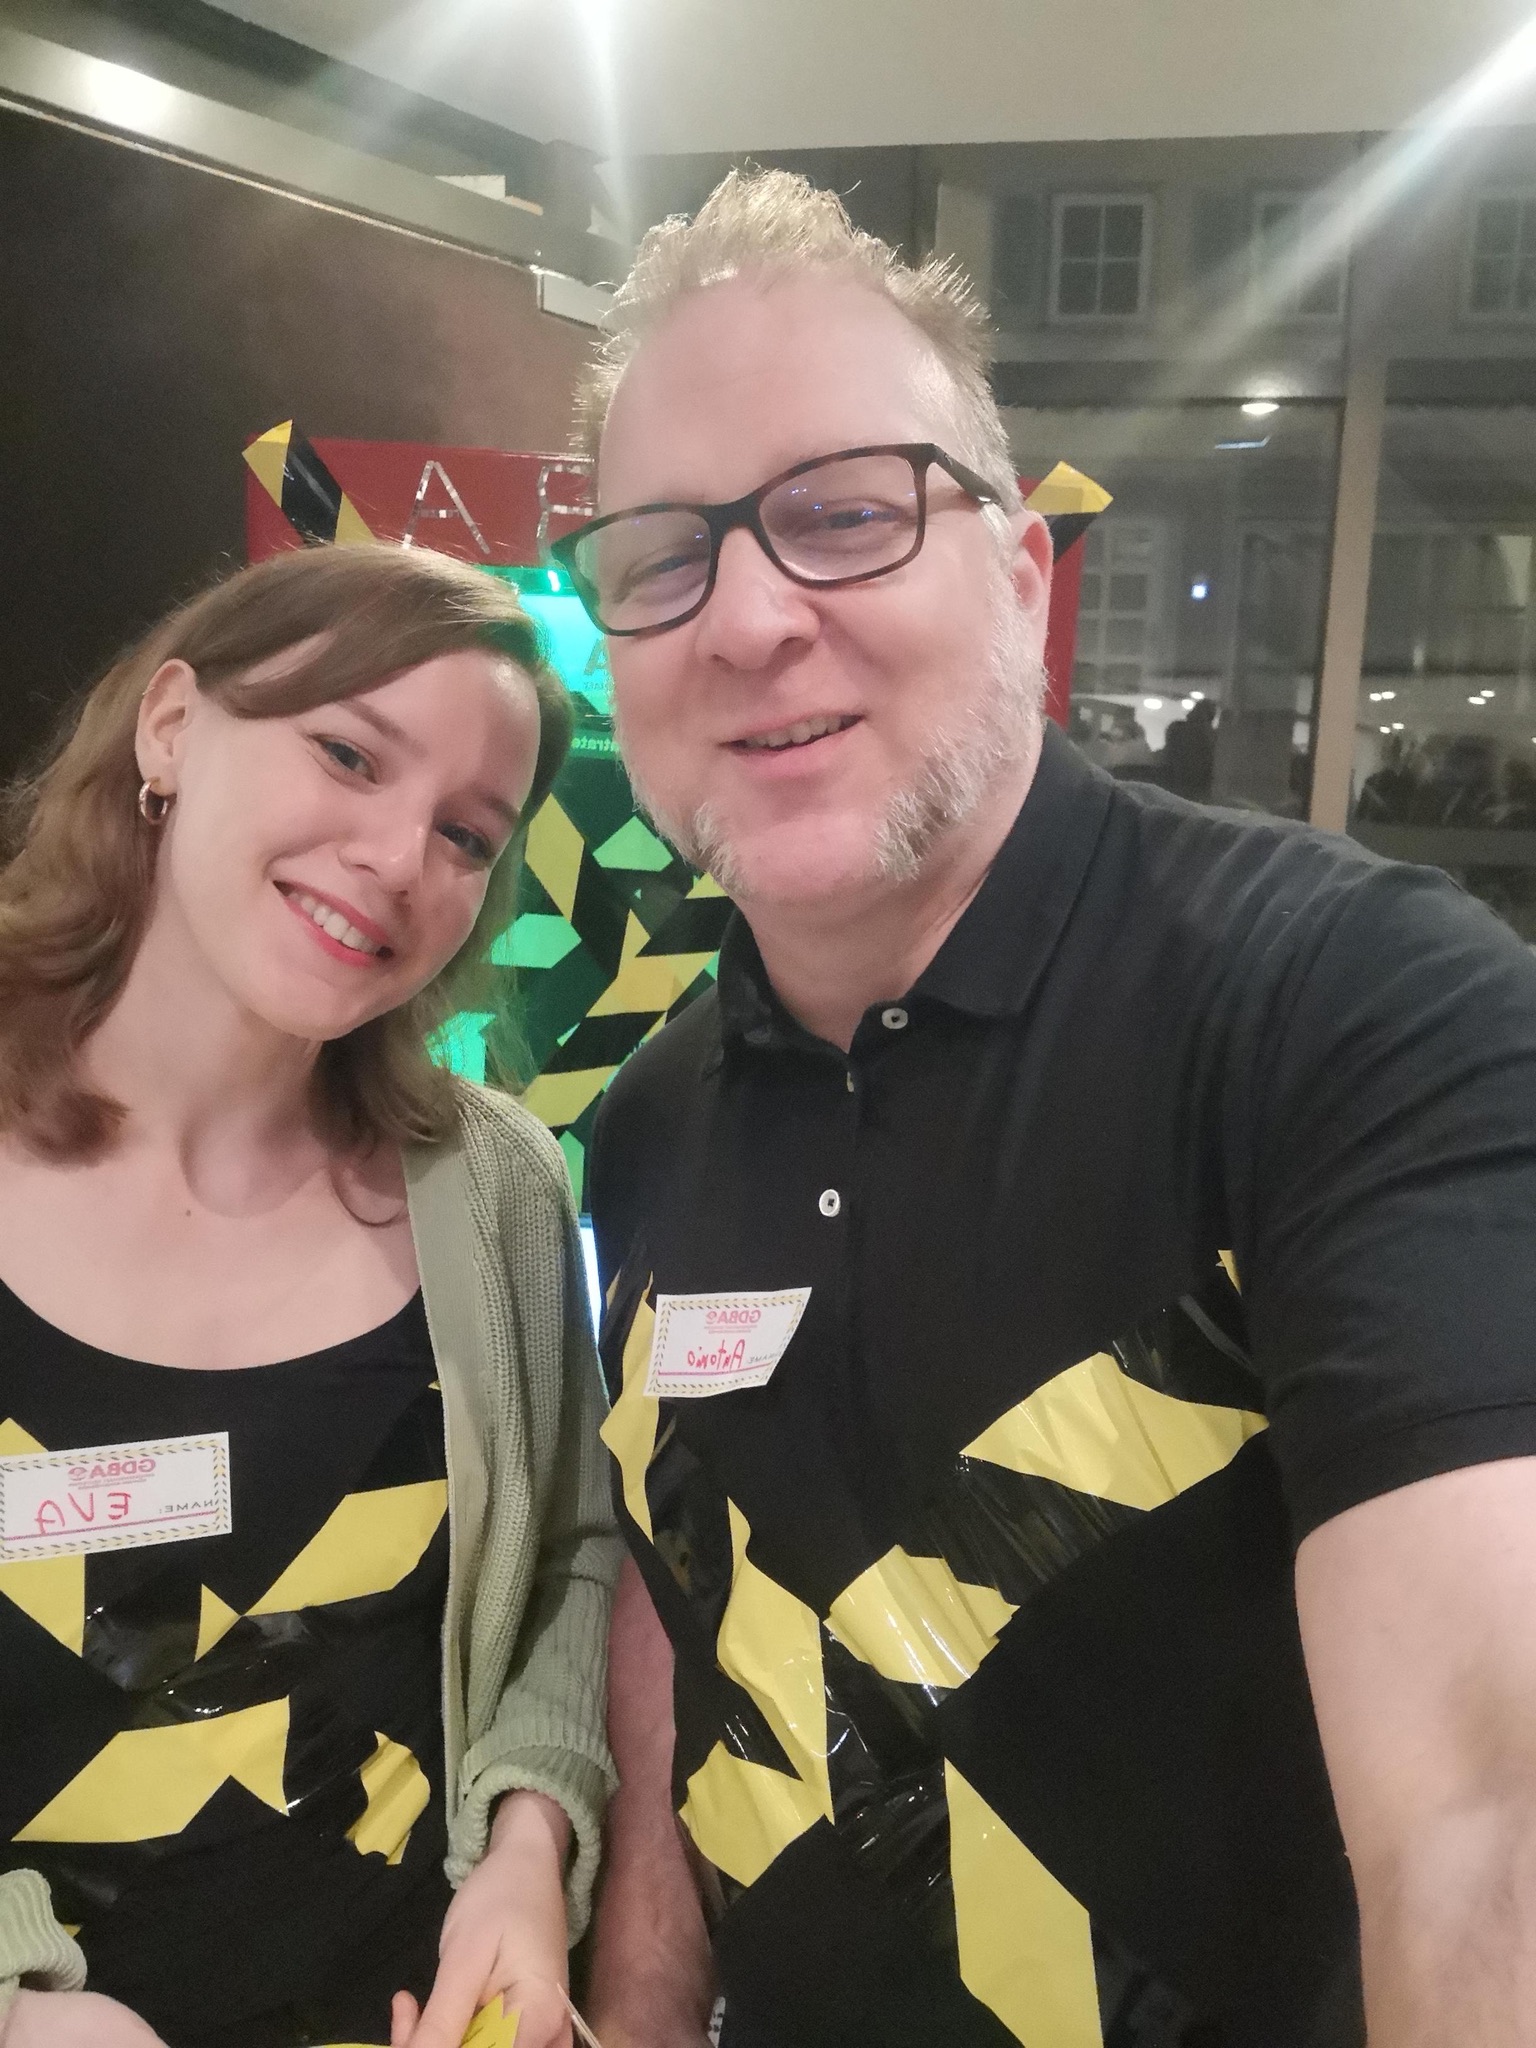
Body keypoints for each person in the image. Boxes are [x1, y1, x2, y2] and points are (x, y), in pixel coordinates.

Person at [556, 169, 1536, 2048]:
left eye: (845, 514)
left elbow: (1487, 1830)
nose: (746, 617)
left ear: (1023, 579)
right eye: (663, 556)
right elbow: (695, 1609)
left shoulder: (1350, 1010)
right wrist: (643, 2010)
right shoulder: (654, 1122)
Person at [0, 546, 620, 2048]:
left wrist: (528, 1843)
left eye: (468, 834)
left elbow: (571, 1558)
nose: (401, 858)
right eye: (349, 753)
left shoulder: (494, 1190)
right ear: (170, 729)